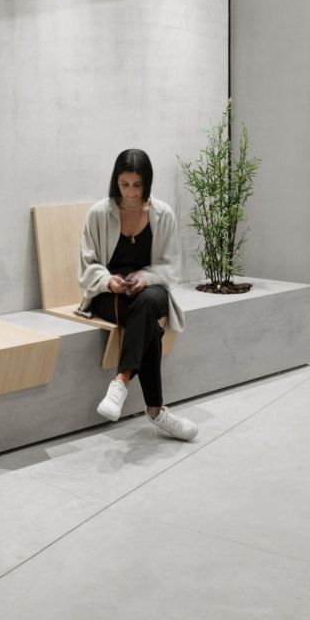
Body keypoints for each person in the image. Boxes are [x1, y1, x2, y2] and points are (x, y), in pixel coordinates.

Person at [77, 148, 198, 441]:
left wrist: (145, 278)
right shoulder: (98, 214)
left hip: (151, 290)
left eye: (137, 185)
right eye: (124, 184)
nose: (130, 192)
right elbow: (88, 265)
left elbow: (171, 267)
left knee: (147, 302)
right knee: (149, 329)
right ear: (116, 183)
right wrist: (109, 281)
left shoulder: (162, 214)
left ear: (147, 183)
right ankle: (156, 411)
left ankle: (121, 381)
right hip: (110, 295)